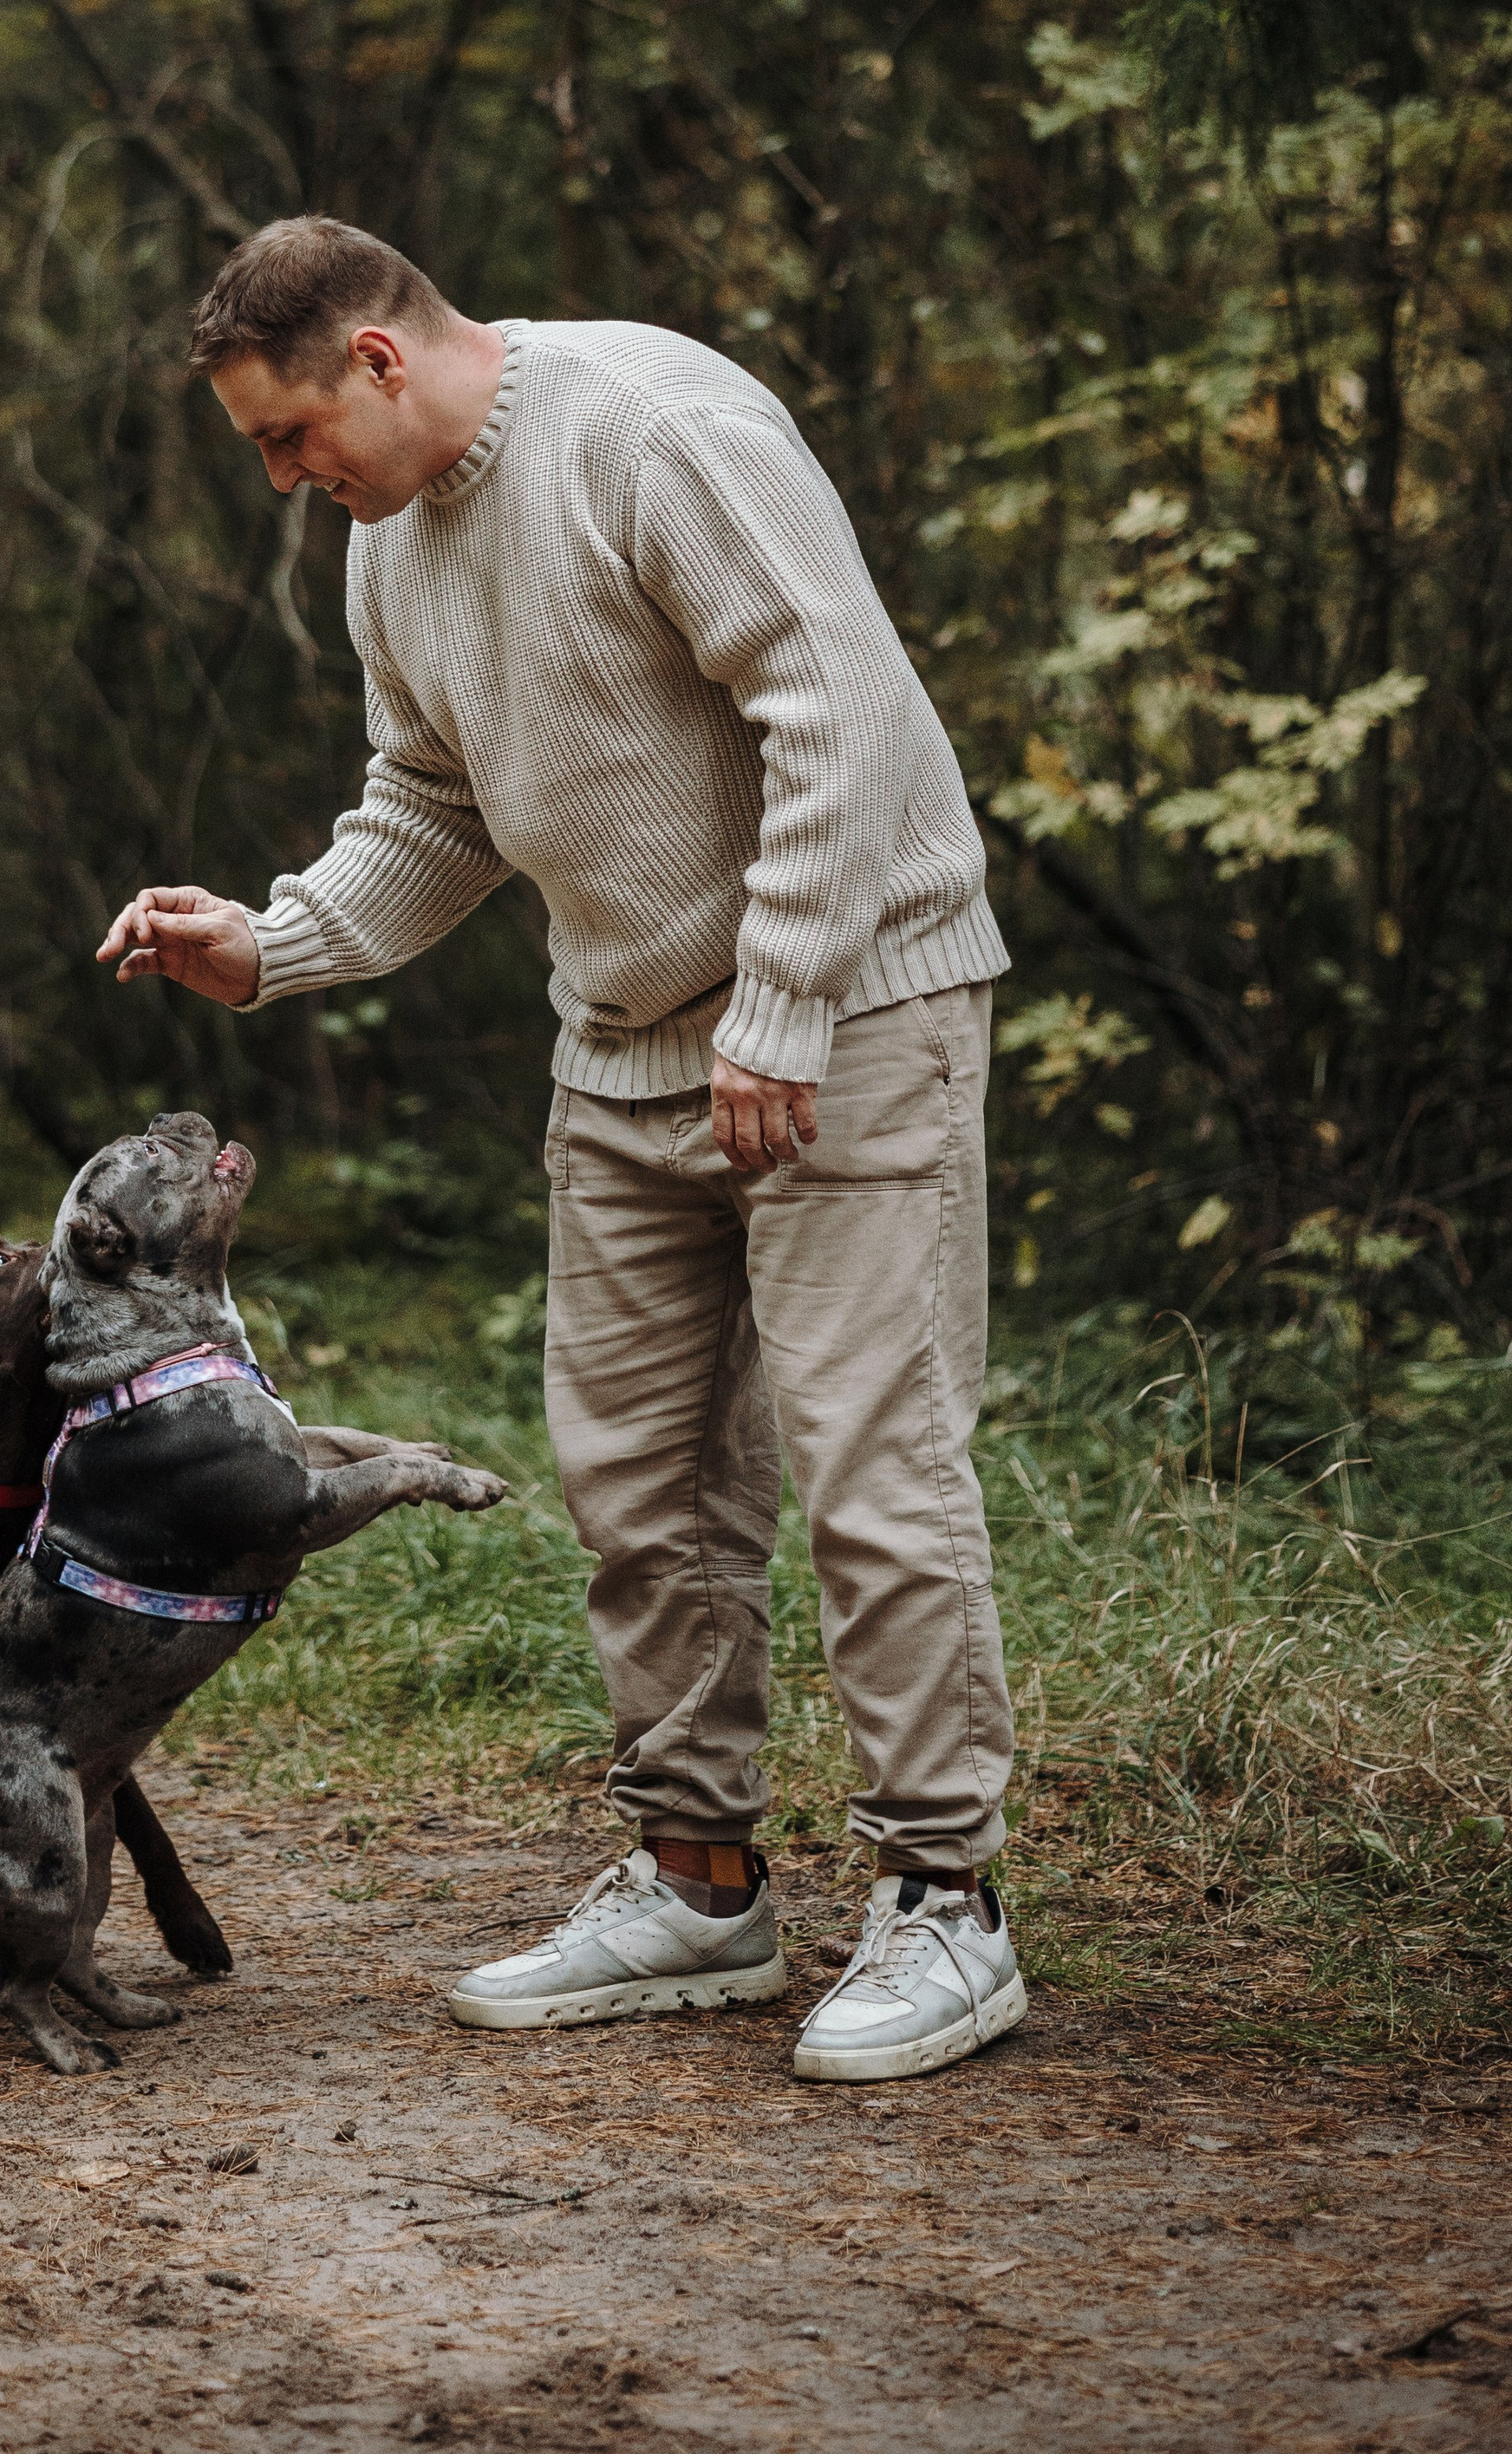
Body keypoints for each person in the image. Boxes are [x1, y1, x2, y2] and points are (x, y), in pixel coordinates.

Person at [97, 217, 1026, 2084]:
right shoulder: (387, 554)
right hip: (617, 1047)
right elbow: (427, 810)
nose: (289, 485)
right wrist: (268, 945)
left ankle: (943, 1907)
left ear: (374, 358)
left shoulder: (650, 427)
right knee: (636, 1481)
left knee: (867, 1461)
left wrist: (776, 1006)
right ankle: (696, 1883)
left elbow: (831, 700)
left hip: (846, 1013)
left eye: (289, 438)